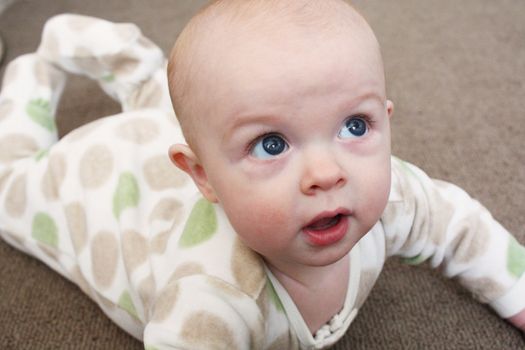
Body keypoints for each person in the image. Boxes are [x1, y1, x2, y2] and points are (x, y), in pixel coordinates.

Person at [0, 2, 524, 349]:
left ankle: (130, 66)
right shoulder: (208, 304)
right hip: (101, 180)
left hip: (192, 137)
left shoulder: (393, 197)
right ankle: (29, 75)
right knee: (10, 185)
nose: (326, 173)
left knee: (195, 105)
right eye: (271, 144)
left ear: (386, 121)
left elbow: (461, 227)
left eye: (354, 125)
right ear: (202, 177)